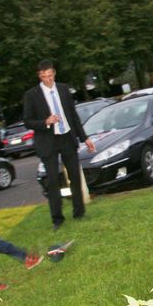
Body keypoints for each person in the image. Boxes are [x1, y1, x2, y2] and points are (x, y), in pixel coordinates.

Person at [23, 60, 95, 230]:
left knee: (75, 177)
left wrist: (85, 138)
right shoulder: (32, 95)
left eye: (49, 75)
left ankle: (79, 212)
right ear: (39, 76)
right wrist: (45, 122)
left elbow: (73, 115)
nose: (47, 79)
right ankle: (57, 219)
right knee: (53, 181)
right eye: (43, 77)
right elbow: (27, 121)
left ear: (54, 73)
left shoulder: (63, 89)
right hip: (48, 142)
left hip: (67, 138)